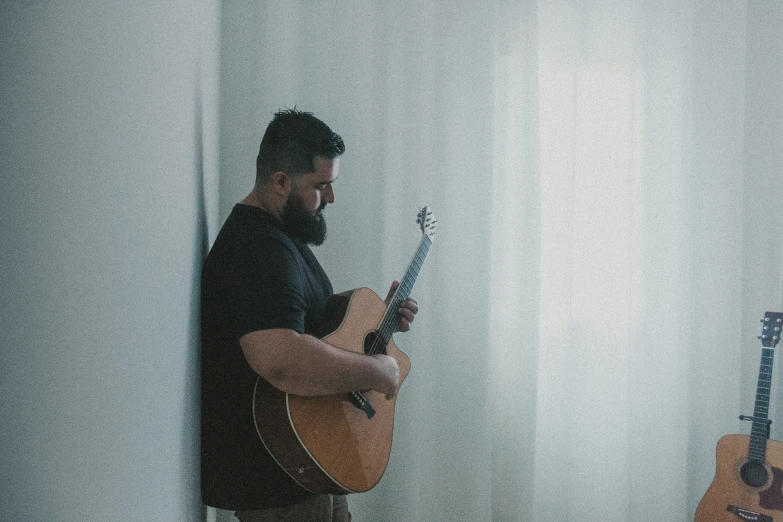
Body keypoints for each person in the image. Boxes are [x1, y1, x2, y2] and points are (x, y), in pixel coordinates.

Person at [200, 108, 418, 522]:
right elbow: (280, 357)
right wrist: (377, 371)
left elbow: (312, 325)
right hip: (276, 481)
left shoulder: (279, 237)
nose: (331, 198)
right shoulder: (259, 249)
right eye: (321, 186)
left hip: (310, 460)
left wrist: (378, 323)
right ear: (280, 181)